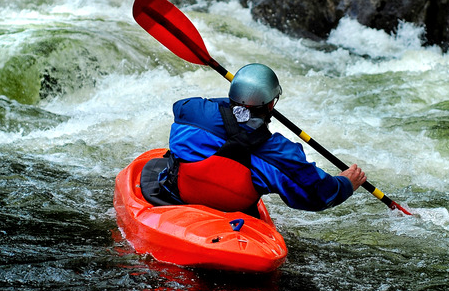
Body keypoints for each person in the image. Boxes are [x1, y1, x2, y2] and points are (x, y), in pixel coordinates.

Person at [140, 63, 366, 214]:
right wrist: (345, 183)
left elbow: (180, 107)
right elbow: (318, 195)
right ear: (270, 105)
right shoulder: (282, 154)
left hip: (173, 197)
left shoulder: (192, 112)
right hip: (229, 214)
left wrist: (232, 106)